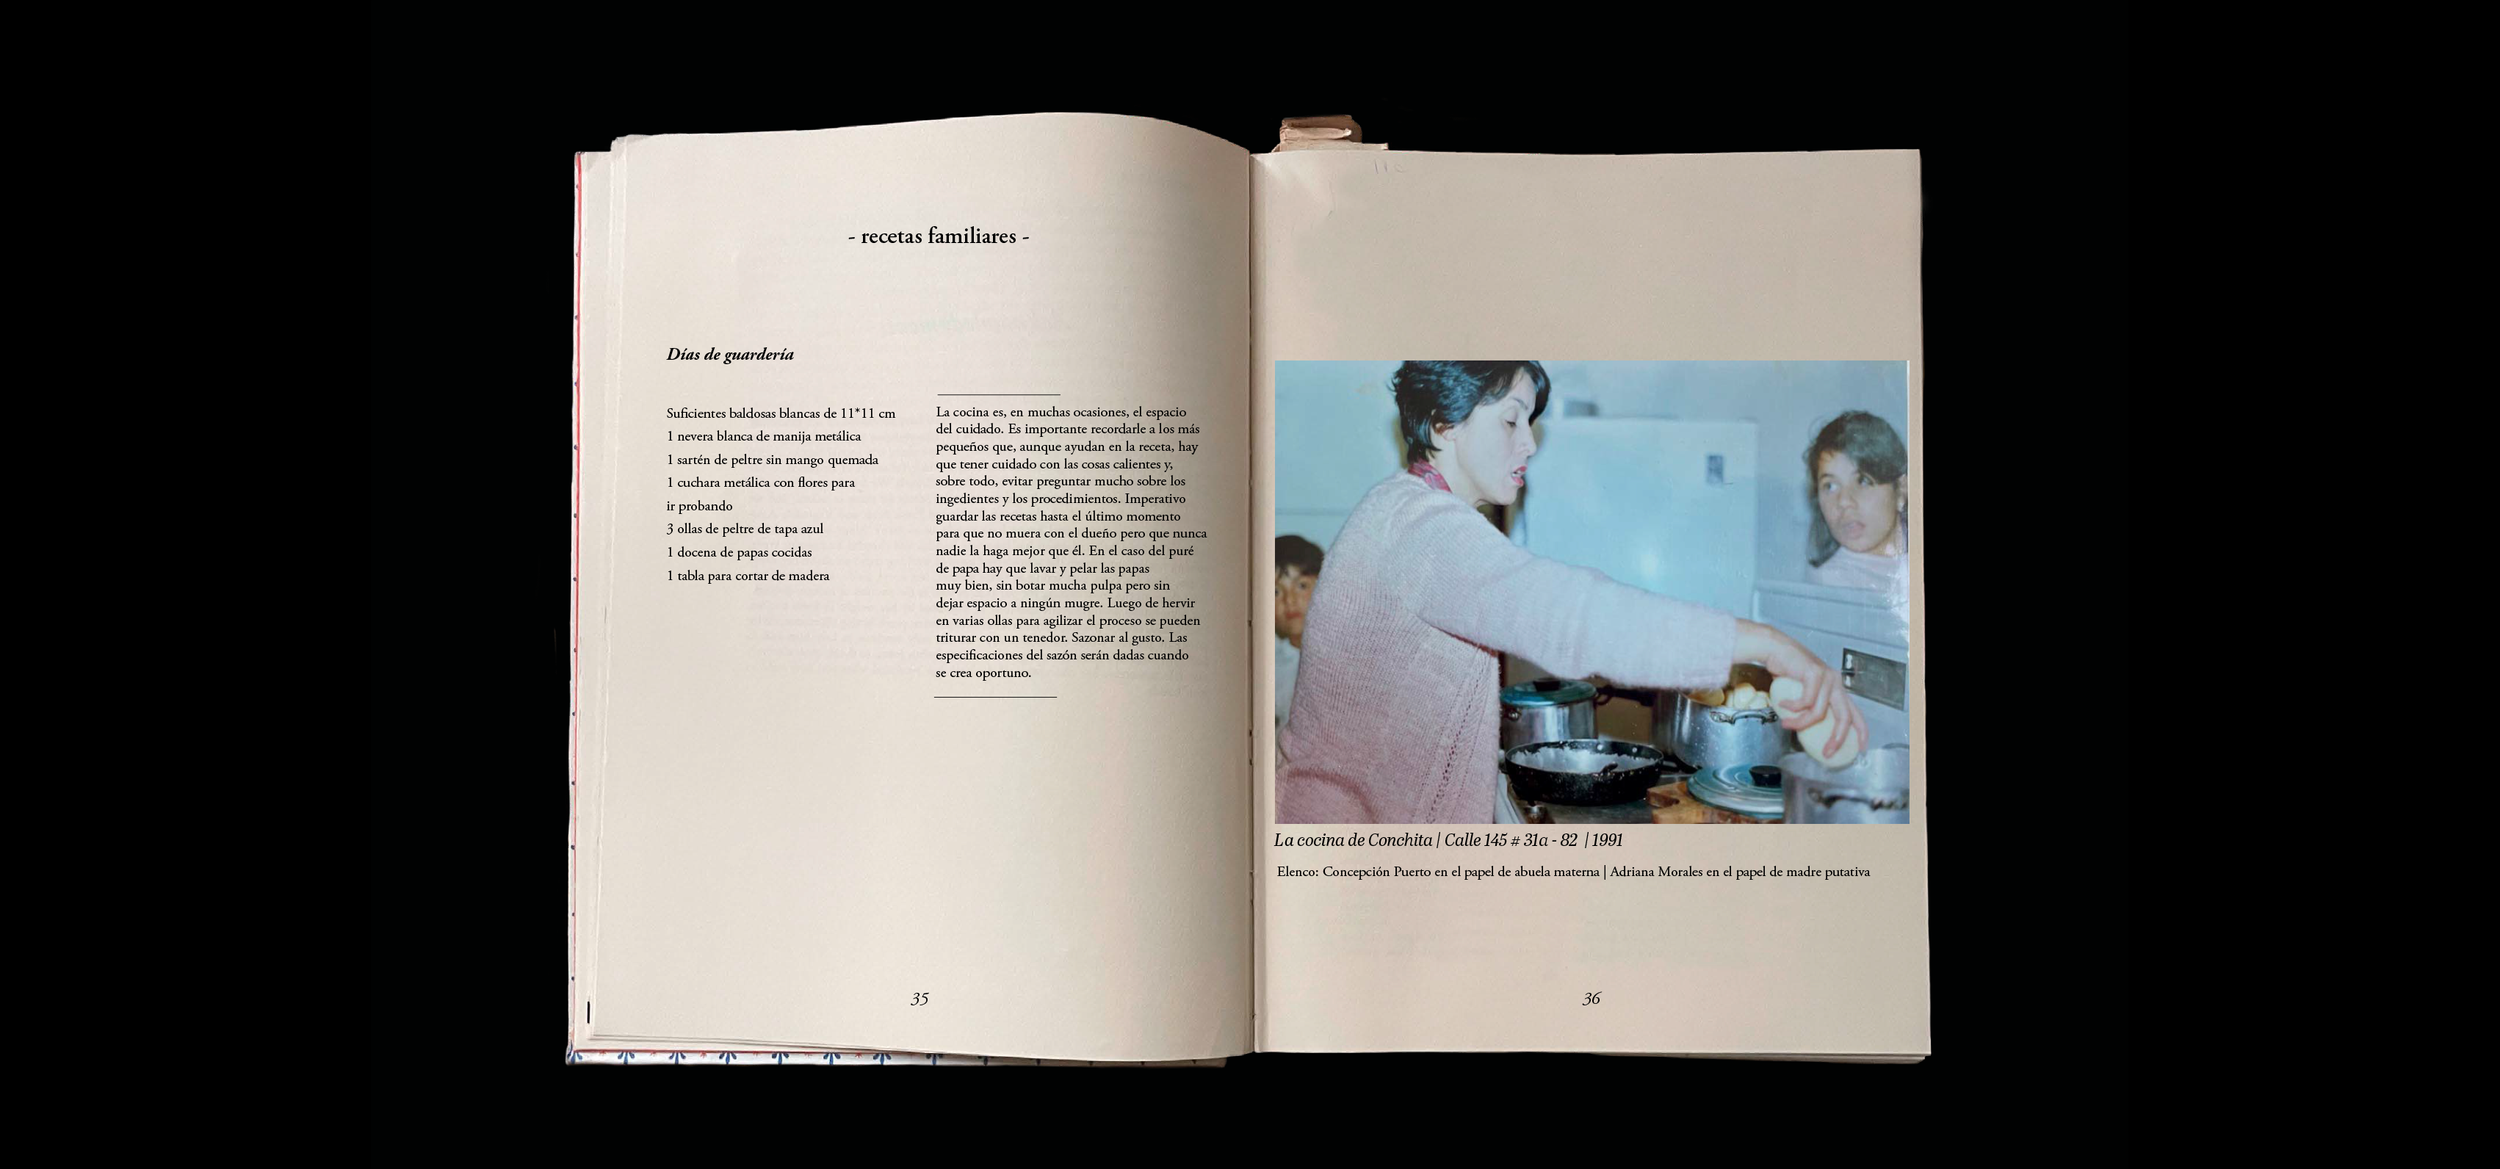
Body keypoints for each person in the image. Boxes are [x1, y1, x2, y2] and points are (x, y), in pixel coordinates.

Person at [1277, 361, 1866, 824]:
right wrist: (1768, 644)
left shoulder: (1406, 512)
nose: (1530, 443)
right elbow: (1572, 613)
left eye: (1529, 422)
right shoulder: (1423, 527)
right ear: (1443, 425)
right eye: (1511, 421)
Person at [1803, 411, 1909, 600]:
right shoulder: (1827, 586)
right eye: (1830, 486)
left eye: (1863, 481)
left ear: (1901, 490)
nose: (1844, 501)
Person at [1275, 535, 1324, 734]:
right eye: (1276, 592)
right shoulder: (1269, 668)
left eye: (1301, 586)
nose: (1290, 600)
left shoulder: (1348, 658)